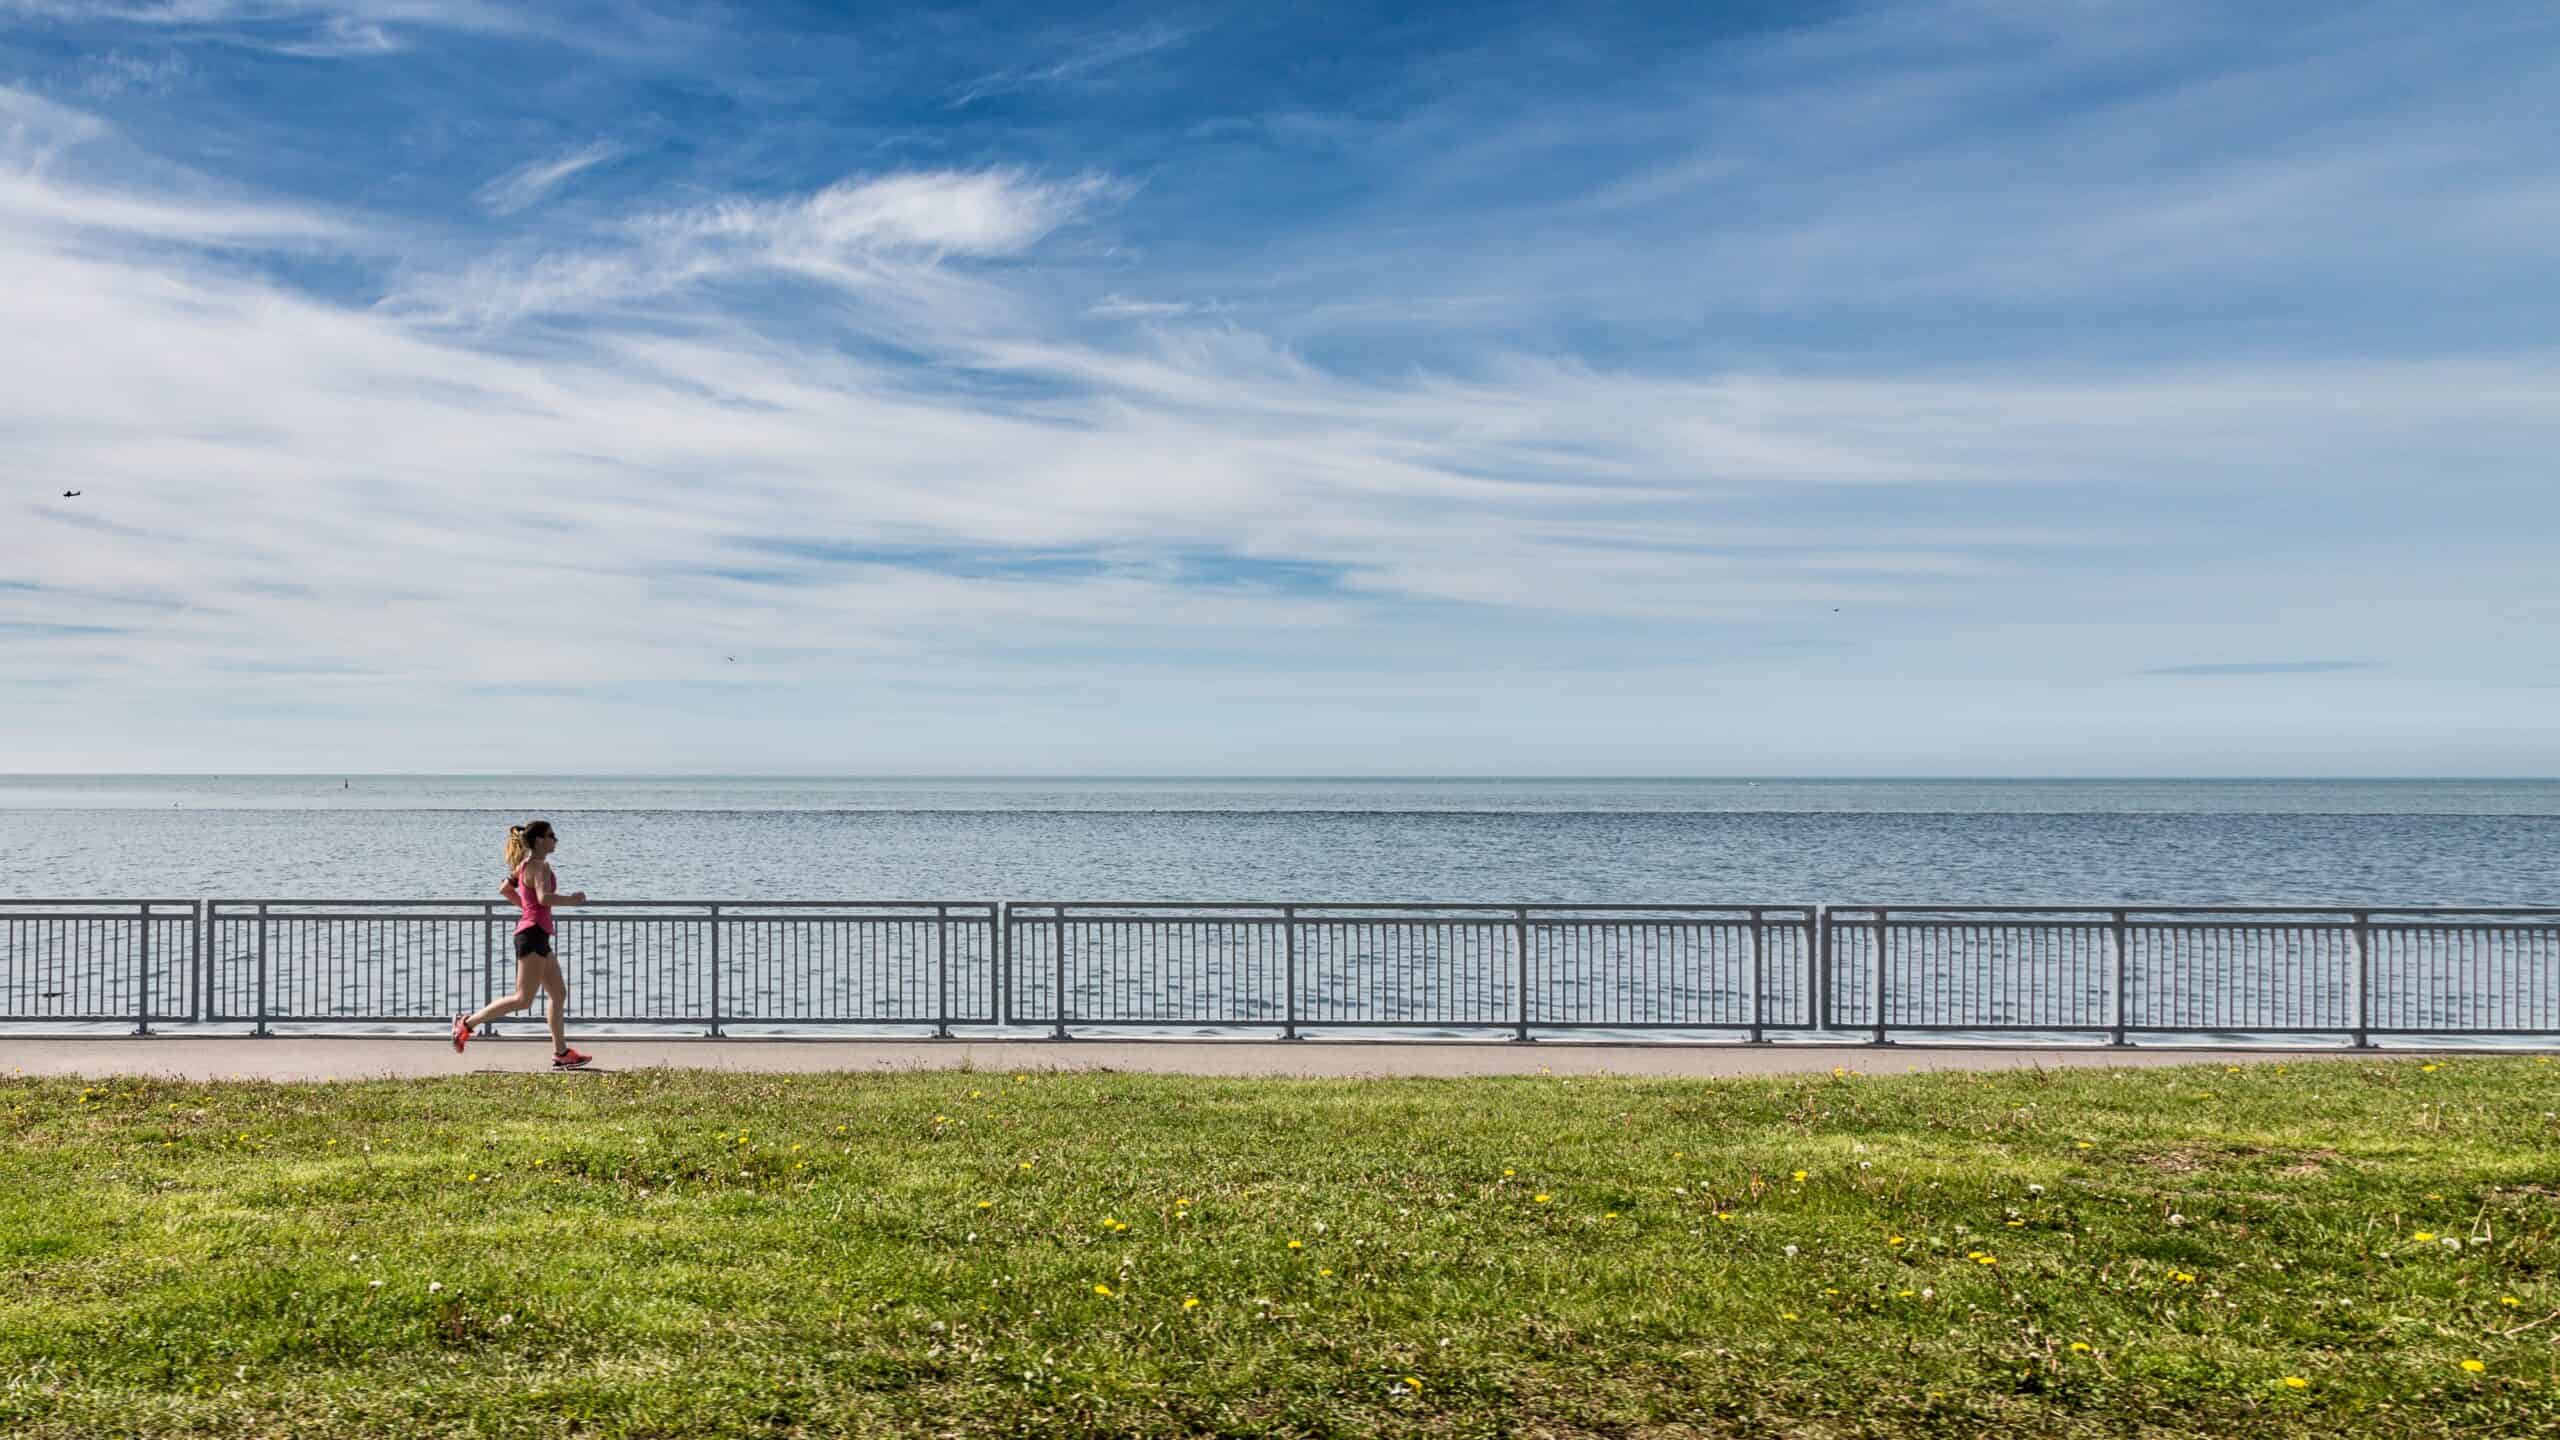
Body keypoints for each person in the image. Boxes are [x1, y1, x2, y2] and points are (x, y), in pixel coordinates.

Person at [453, 819, 592, 1068]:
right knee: (523, 999)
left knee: (558, 993)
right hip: (532, 935)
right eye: (551, 835)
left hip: (537, 934)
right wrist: (573, 899)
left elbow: (505, 889)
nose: (555, 839)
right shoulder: (539, 867)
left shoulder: (524, 865)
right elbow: (543, 897)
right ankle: (467, 1024)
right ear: (539, 840)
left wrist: (527, 910)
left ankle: (561, 1053)